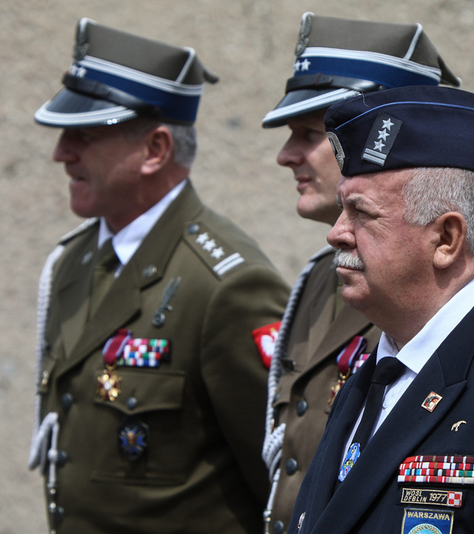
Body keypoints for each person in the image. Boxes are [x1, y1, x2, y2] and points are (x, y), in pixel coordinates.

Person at [28, 19, 290, 533]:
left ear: (156, 150)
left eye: (84, 134)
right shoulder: (73, 260)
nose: (62, 153)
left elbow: (280, 486)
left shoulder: (225, 285)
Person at [287, 85, 474, 534]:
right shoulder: (380, 367)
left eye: (361, 214)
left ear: (446, 239)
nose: (337, 233)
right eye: (340, 210)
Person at [260, 13, 461, 534]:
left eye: (308, 134)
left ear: (380, 138)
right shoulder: (316, 281)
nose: (286, 156)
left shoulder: (427, 288)